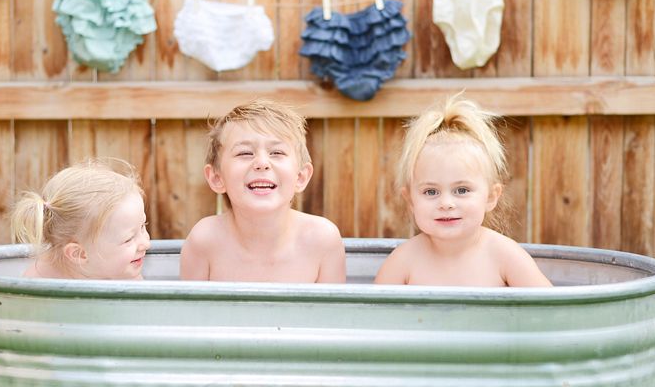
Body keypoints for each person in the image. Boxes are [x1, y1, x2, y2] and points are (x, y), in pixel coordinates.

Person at [374, 93, 551, 287]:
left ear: (491, 197)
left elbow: (552, 310)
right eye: (431, 192)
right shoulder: (403, 262)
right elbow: (373, 315)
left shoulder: (505, 256)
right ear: (410, 201)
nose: (446, 204)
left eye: (462, 190)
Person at [180, 99, 346, 283]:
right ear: (216, 178)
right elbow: (191, 311)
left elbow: (332, 312)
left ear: (301, 177)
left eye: (277, 153)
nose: (261, 163)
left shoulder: (322, 240)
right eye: (245, 153)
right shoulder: (205, 240)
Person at [11, 157, 151, 280]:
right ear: (79, 254)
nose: (146, 243)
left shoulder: (126, 273)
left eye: (143, 226)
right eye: (128, 239)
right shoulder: (39, 281)